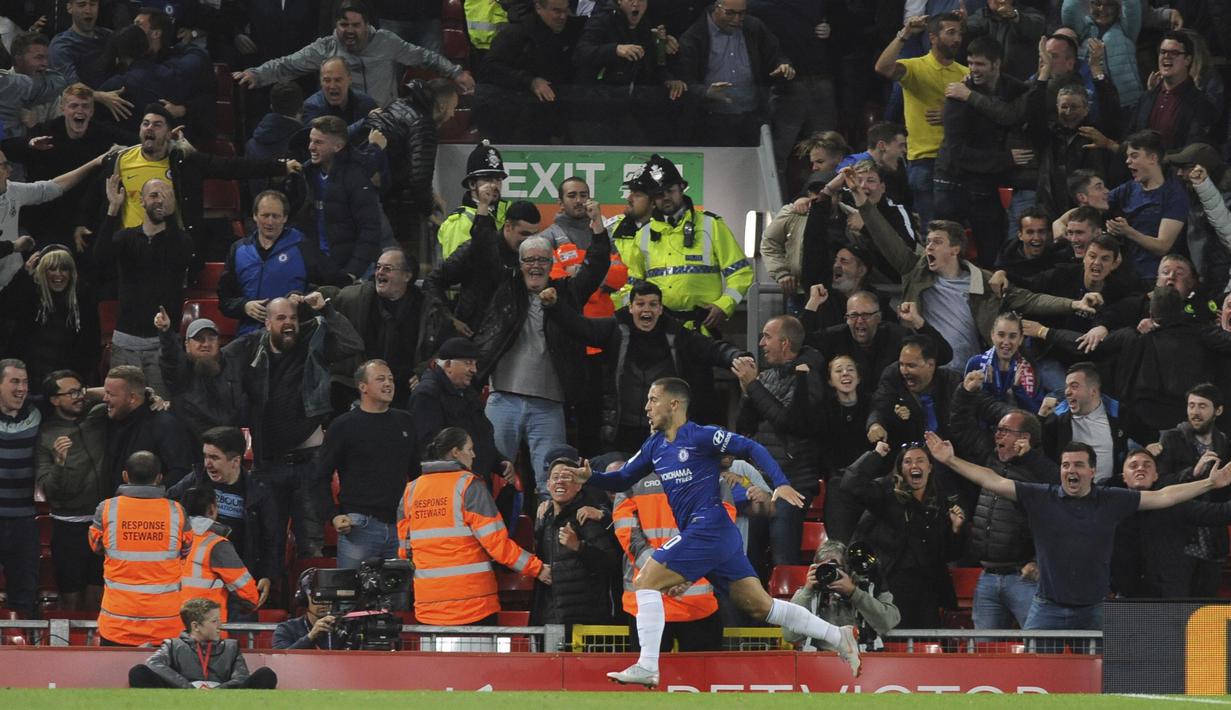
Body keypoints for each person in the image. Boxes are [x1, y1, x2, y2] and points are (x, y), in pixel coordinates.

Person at [565, 377, 859, 687]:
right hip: (713, 536)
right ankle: (838, 636)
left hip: (710, 525)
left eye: (653, 399)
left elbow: (750, 446)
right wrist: (591, 477)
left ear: (674, 404)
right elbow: (623, 478)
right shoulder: (654, 445)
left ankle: (648, 665)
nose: (647, 406)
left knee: (645, 580)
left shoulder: (701, 436)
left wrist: (780, 482)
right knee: (760, 605)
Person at [925, 433, 1231, 640]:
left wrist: (1209, 484)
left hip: (1095, 610)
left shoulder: (1112, 499)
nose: (1070, 470)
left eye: (1078, 465)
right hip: (1047, 608)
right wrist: (950, 460)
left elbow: (1164, 496)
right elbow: (992, 479)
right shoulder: (1040, 496)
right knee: (1031, 679)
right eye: (1065, 465)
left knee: (1108, 681)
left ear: (1092, 471)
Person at [852, 168, 1102, 372]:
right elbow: (885, 238)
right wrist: (862, 202)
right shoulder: (915, 271)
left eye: (936, 242)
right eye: (927, 242)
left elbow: (1030, 299)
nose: (928, 247)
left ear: (955, 249)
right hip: (928, 370)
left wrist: (1074, 304)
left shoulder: (983, 281)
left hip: (971, 371)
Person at [473, 198, 610, 497]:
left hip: (549, 404)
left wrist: (597, 224)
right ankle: (493, 540)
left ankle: (547, 541)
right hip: (502, 399)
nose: (535, 266)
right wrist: (483, 209)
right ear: (519, 264)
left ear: (551, 265)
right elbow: (484, 254)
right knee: (492, 478)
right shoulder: (506, 290)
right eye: (529, 260)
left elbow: (597, 265)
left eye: (542, 260)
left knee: (552, 484)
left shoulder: (567, 294)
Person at [88, 104, 299, 270]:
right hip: (130, 248)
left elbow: (230, 167)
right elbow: (97, 190)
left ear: (170, 133)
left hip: (169, 248)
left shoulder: (184, 161)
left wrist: (279, 166)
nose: (149, 128)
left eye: (157, 124)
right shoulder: (121, 159)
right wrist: (81, 221)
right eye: (145, 123)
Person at [233, 293, 363, 559]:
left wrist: (326, 310)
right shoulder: (249, 347)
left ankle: (309, 601)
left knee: (311, 543)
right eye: (281, 318)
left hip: (310, 463)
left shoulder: (313, 344)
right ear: (267, 324)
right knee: (267, 543)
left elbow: (352, 343)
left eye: (292, 317)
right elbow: (215, 364)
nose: (288, 323)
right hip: (268, 463)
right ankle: (273, 598)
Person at [396, 427, 551, 626]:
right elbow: (497, 545)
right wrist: (537, 569)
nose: (474, 455)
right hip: (474, 605)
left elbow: (404, 552)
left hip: (429, 607)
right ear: (455, 452)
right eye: (469, 449)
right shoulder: (470, 486)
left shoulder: (411, 491)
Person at [950, 372, 1055, 629]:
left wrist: (1037, 561)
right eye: (998, 429)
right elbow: (961, 427)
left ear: (1025, 438)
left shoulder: (1043, 471)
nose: (998, 435)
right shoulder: (991, 458)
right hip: (986, 576)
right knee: (986, 653)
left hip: (1024, 577)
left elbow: (1057, 521)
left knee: (1038, 648)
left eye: (1005, 431)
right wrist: (965, 392)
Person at [233, 0, 474, 108]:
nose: (349, 31)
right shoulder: (326, 47)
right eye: (343, 25)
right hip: (341, 123)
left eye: (355, 26)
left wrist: (456, 72)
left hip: (383, 119)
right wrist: (256, 74)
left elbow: (425, 57)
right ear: (336, 25)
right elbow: (288, 64)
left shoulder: (386, 41)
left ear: (366, 24)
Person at [622, 154, 751, 334]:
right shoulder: (643, 235)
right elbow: (632, 284)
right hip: (659, 330)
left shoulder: (711, 225)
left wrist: (724, 305)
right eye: (659, 194)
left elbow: (741, 273)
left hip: (703, 329)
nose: (665, 197)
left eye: (670, 190)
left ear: (681, 188)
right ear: (652, 198)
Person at [732, 315, 824, 565]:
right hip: (762, 481)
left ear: (784, 343)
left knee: (783, 556)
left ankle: (788, 601)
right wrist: (747, 390)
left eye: (766, 336)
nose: (761, 343)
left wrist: (754, 387)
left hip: (793, 482)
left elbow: (789, 422)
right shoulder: (766, 377)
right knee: (749, 554)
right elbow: (744, 426)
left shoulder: (807, 376)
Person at [934, 36, 1027, 266]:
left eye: (980, 64)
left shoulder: (1015, 89)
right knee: (946, 249)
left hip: (984, 182)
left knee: (993, 248)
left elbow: (1014, 114)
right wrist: (1005, 159)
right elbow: (957, 152)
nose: (974, 69)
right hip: (952, 181)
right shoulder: (957, 97)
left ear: (996, 64)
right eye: (971, 63)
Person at [612, 464, 725, 653]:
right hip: (690, 601)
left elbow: (627, 532)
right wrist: (682, 574)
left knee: (648, 680)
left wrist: (661, 573)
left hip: (652, 602)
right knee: (700, 681)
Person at [167, 427, 279, 611]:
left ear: (235, 461)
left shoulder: (258, 491)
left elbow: (272, 538)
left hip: (238, 580)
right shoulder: (196, 479)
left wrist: (267, 575)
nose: (207, 464)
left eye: (215, 458)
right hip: (196, 581)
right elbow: (166, 505)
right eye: (206, 456)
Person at [88, 450, 193, 646]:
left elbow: (96, 546)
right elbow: (186, 549)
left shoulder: (107, 509)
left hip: (117, 625)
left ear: (125, 476)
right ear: (160, 478)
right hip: (166, 627)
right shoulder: (177, 511)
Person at [319, 359, 416, 569]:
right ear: (362, 387)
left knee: (397, 600)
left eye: (390, 379)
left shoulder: (406, 421)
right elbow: (319, 475)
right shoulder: (343, 425)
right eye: (380, 379)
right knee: (351, 598)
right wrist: (333, 515)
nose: (388, 383)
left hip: (401, 525)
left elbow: (417, 473)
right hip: (359, 526)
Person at [874, 12, 968, 224]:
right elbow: (883, 67)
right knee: (931, 230)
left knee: (958, 230)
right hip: (924, 160)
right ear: (933, 37)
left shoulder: (965, 73)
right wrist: (905, 33)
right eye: (951, 33)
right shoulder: (915, 67)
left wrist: (951, 115)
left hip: (957, 160)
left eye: (959, 33)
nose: (957, 39)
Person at [218, 189, 344, 336]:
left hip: (292, 338)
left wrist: (303, 301)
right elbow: (225, 300)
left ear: (285, 218)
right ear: (255, 216)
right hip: (249, 337)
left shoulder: (302, 246)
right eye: (265, 215)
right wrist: (244, 306)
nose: (270, 221)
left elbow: (337, 284)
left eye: (276, 216)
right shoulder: (239, 250)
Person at [1112, 448, 1231, 598]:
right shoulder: (1110, 506)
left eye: (1147, 465)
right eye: (1133, 465)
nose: (1141, 468)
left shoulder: (1175, 503)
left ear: (1156, 476)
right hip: (1126, 597)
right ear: (1123, 477)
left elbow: (1222, 513)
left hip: (1169, 596)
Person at [675, 0, 794, 146]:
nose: (737, 19)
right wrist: (706, 92)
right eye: (730, 13)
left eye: (742, 13)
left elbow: (775, 54)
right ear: (716, 8)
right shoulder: (693, 37)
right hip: (710, 120)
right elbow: (685, 81)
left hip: (753, 116)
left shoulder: (753, 26)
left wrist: (783, 65)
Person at [35, 368, 107, 611]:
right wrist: (59, 463)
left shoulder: (98, 416)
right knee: (72, 602)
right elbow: (49, 489)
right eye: (72, 392)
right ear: (55, 400)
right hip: (68, 528)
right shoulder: (46, 435)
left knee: (98, 598)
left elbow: (116, 390)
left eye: (81, 390)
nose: (80, 396)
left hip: (102, 524)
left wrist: (151, 394)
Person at [408, 338, 515, 496]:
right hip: (448, 491)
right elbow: (428, 449)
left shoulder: (468, 393)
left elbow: (482, 435)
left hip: (473, 486)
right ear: (449, 365)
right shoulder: (427, 395)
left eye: (474, 364)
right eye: (468, 363)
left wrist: (499, 462)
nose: (474, 370)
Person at [1151, 383, 1230, 596]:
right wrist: (1192, 473)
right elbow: (1159, 485)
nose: (1195, 412)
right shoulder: (1170, 438)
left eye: (1202, 406)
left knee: (1207, 617)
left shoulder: (1224, 443)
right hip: (1180, 540)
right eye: (1191, 405)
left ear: (1218, 411)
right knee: (1177, 610)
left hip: (1212, 541)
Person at [330, 248, 432, 411]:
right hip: (358, 391)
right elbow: (328, 298)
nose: (379, 273)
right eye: (378, 267)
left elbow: (445, 350)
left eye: (388, 268)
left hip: (406, 393)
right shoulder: (356, 298)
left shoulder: (427, 309)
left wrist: (424, 370)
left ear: (407, 275)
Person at [531, 453, 621, 628]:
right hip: (550, 617)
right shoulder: (543, 518)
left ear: (579, 485)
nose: (560, 481)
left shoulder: (587, 517)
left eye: (567, 477)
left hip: (584, 621)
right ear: (548, 485)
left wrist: (579, 547)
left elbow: (611, 563)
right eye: (555, 477)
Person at [472, 0, 581, 144]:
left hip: (549, 114)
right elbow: (489, 68)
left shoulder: (571, 32)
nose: (562, 16)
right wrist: (530, 81)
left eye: (565, 11)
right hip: (510, 115)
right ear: (538, 8)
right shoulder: (516, 33)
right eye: (556, 11)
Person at [805, 291, 952, 397]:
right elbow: (798, 344)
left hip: (891, 411)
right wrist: (812, 305)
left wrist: (917, 321)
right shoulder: (836, 336)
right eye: (854, 315)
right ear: (847, 318)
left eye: (866, 315)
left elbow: (944, 355)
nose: (859, 320)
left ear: (878, 317)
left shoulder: (897, 336)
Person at [0, 145, 104, 290]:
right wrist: (14, 246)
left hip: (13, 281)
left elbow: (49, 188)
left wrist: (94, 163)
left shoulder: (12, 191)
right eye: (4, 166)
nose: (10, 171)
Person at [298, 115, 382, 282]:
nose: (311, 147)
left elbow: (370, 229)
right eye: (311, 141)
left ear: (338, 146)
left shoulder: (355, 178)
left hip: (349, 270)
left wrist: (353, 272)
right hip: (317, 268)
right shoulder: (306, 175)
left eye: (318, 142)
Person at [0, 246, 99, 388]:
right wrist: (23, 275)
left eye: (64, 269)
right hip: (28, 380)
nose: (58, 274)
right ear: (42, 271)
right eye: (52, 269)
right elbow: (5, 308)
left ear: (71, 272)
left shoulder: (84, 301)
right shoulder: (30, 295)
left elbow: (91, 346)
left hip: (66, 383)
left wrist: (77, 381)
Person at [128, 598, 278, 689]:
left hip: (223, 699)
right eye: (214, 621)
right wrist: (189, 688)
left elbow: (241, 678)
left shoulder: (231, 647)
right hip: (182, 697)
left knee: (266, 675)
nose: (220, 625)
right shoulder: (173, 645)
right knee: (138, 672)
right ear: (195, 626)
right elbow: (153, 664)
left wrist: (217, 691)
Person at [782, 540, 901, 651]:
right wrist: (807, 591)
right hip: (820, 663)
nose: (830, 573)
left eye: (836, 568)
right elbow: (789, 636)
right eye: (824, 568)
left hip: (862, 662)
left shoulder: (867, 589)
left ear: (847, 569)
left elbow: (888, 623)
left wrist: (854, 593)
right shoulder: (808, 594)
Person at [96, 364, 195, 493]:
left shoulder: (165, 425)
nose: (104, 399)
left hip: (149, 508)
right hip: (114, 506)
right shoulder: (109, 417)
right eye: (105, 392)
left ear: (132, 398)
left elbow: (180, 471)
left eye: (110, 394)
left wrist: (147, 497)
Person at [1105, 130, 1188, 283]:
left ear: (1152, 158)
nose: (1127, 161)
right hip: (1127, 274)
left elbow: (1163, 245)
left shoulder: (1174, 195)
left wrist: (1128, 232)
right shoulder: (1129, 188)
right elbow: (1100, 202)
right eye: (1127, 156)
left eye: (1134, 156)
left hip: (1156, 278)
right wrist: (1062, 221)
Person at [155, 314, 248, 441]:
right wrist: (166, 333)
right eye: (199, 339)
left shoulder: (231, 364)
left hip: (227, 442)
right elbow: (170, 356)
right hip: (190, 443)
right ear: (187, 345)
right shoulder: (180, 370)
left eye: (211, 339)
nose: (206, 344)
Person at [178, 487, 262, 625]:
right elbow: (249, 595)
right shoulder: (216, 544)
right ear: (212, 508)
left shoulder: (168, 540)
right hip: (205, 631)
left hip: (168, 627)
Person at [0, 359, 40, 617]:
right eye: (14, 381)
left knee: (25, 594)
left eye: (24, 382)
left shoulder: (38, 409)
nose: (21, 388)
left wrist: (147, 395)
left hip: (24, 521)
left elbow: (74, 393)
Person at [1062, 0, 1144, 110]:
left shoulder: (1127, 29)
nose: (1102, 9)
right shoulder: (1082, 29)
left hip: (1126, 102)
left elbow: (1132, 6)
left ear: (1117, 8)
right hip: (1088, 102)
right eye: (1097, 3)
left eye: (1109, 4)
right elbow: (1069, 10)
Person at [435, 140, 510, 261]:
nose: (494, 185)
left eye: (498, 179)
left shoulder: (508, 213)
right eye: (487, 179)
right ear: (472, 184)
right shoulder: (459, 222)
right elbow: (455, 269)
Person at [963, 312, 1045, 413]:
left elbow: (1036, 412)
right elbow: (964, 404)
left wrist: (1018, 389)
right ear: (992, 335)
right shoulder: (976, 364)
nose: (1006, 342)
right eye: (1001, 335)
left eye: (1012, 336)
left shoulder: (1030, 370)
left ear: (1020, 339)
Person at [273, 568, 344, 649]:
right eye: (317, 597)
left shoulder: (344, 630)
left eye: (328, 597)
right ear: (304, 600)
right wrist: (310, 637)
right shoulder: (287, 629)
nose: (324, 602)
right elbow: (280, 658)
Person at [301, 56, 377, 126]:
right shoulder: (312, 107)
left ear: (349, 79)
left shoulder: (366, 103)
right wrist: (364, 122)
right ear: (320, 82)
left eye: (337, 80)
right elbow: (329, 138)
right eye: (327, 80)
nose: (332, 86)